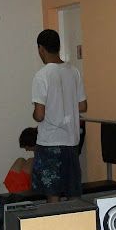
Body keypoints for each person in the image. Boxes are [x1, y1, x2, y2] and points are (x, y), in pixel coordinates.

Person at [31, 29, 87, 203]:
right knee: (73, 194)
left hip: (50, 143)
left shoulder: (42, 75)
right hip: (71, 143)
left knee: (53, 196)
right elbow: (83, 106)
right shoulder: (74, 71)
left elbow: (39, 115)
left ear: (41, 48)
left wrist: (36, 112)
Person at [3, 127, 37, 193]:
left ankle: (15, 190)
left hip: (23, 189)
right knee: (20, 160)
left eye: (27, 147)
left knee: (31, 160)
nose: (26, 150)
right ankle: (10, 189)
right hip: (14, 187)